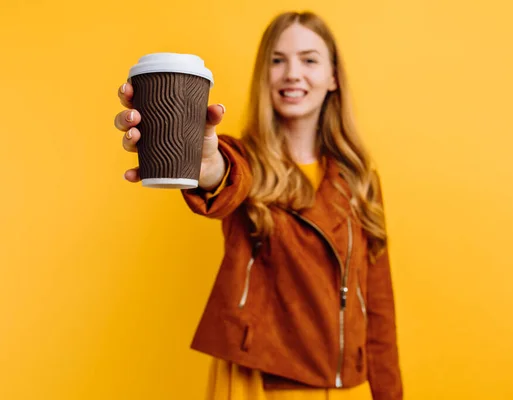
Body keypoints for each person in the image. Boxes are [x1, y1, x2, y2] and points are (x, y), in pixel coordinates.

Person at [114, 11, 403, 400]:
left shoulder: (359, 178)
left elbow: (379, 307)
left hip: (343, 386)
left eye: (309, 59)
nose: (292, 73)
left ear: (334, 77)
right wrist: (205, 165)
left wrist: (390, 394)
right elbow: (226, 176)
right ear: (263, 75)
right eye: (277, 60)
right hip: (260, 382)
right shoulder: (244, 159)